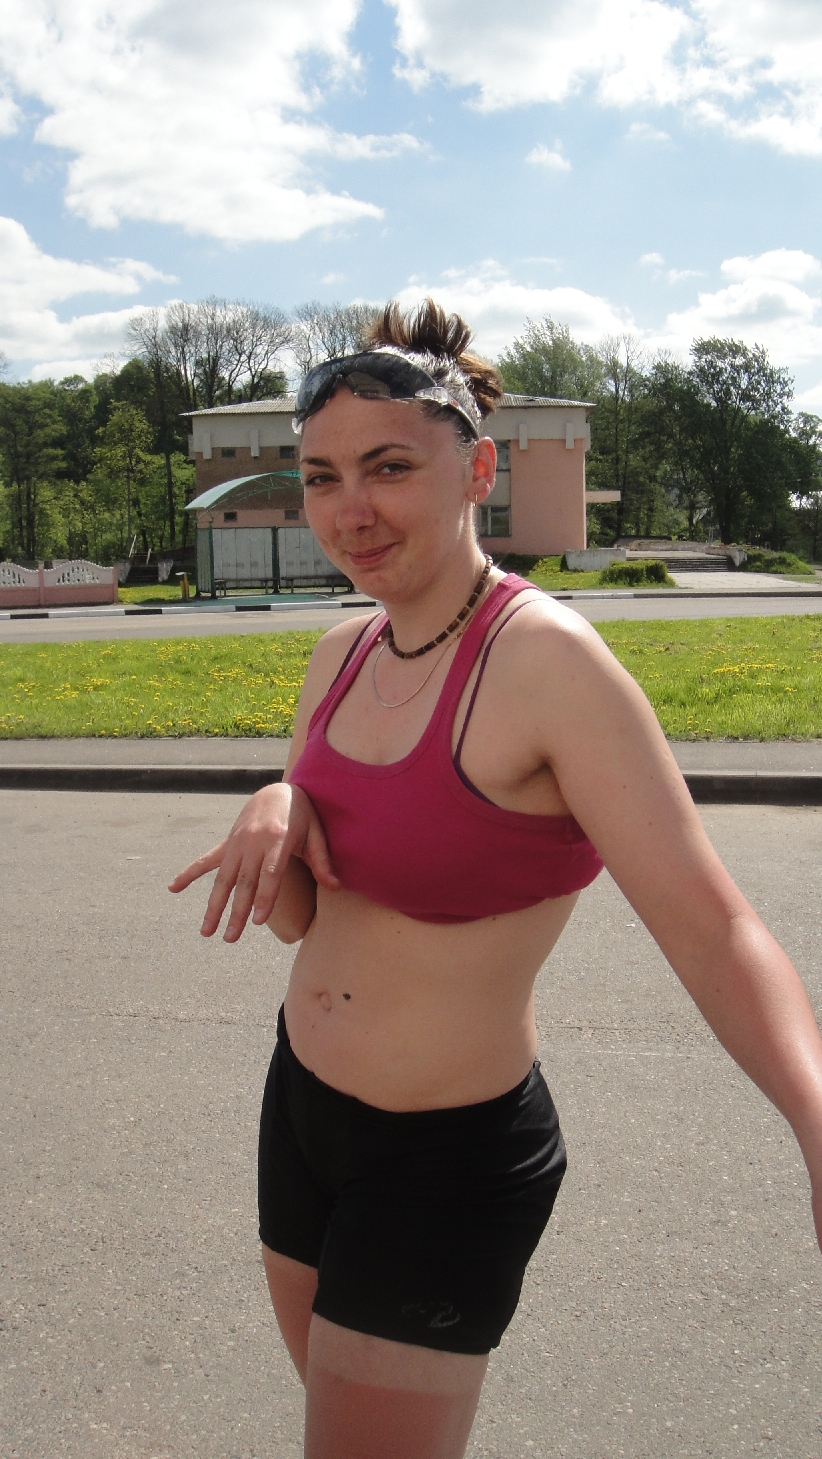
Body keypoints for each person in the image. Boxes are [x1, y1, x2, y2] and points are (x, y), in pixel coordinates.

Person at [170, 300, 822, 1459]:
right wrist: (279, 806)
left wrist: (816, 1118)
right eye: (322, 478)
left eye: (389, 468)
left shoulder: (547, 663)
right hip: (302, 1115)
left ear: (478, 470)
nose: (351, 510)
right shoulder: (340, 654)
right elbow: (307, 916)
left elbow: (713, 925)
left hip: (444, 1159)